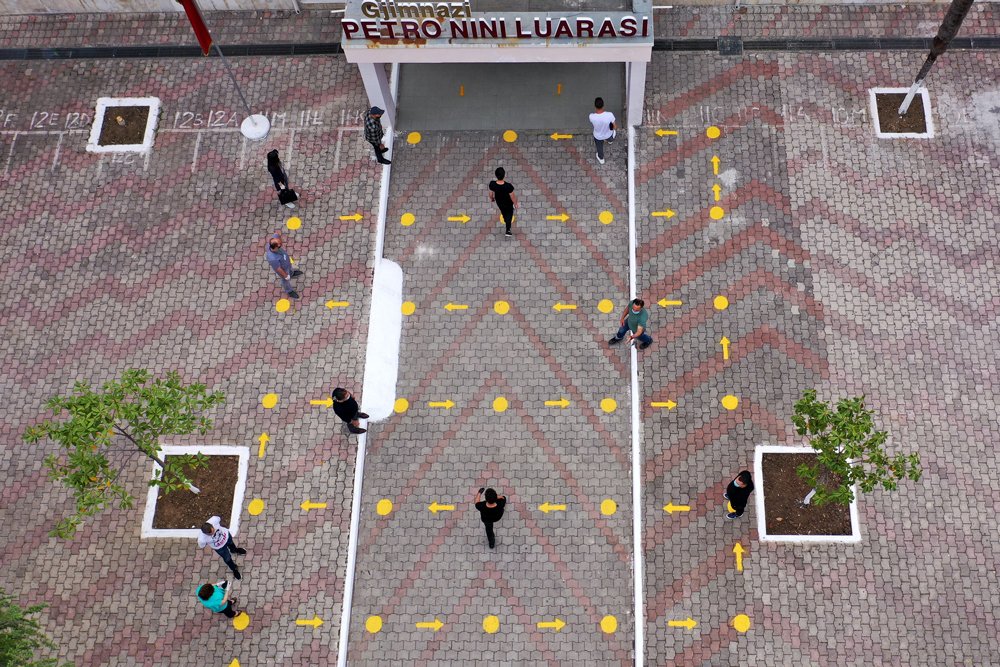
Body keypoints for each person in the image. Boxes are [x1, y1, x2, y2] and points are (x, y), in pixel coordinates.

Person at [198, 515, 247, 580]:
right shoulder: (202, 539)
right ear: (206, 534)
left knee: (232, 544)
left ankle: (234, 550)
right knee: (227, 559)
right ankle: (234, 569)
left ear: (211, 525)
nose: (213, 533)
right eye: (210, 534)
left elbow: (219, 518)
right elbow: (202, 545)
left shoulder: (214, 519)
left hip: (226, 536)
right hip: (220, 548)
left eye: (213, 530)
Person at [265, 231, 303, 300]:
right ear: (276, 247)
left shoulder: (273, 241)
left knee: (290, 269)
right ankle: (289, 291)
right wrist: (286, 276)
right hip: (283, 270)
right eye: (279, 245)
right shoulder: (272, 259)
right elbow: (278, 268)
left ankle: (292, 273)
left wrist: (279, 236)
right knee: (285, 281)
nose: (281, 244)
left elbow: (277, 233)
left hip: (287, 263)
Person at [488, 167, 518, 237]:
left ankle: (505, 218)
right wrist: (515, 204)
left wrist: (492, 199)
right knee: (509, 215)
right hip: (508, 203)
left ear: (496, 175)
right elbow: (512, 196)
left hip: (499, 202)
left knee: (503, 212)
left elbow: (490, 193)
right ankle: (508, 230)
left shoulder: (492, 184)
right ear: (504, 175)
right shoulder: (508, 186)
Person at [589, 97, 616, 165]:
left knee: (599, 147)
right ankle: (610, 141)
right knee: (611, 136)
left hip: (598, 136)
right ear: (603, 105)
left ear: (595, 106)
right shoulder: (609, 115)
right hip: (608, 134)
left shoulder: (591, 116)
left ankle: (601, 159)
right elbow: (615, 126)